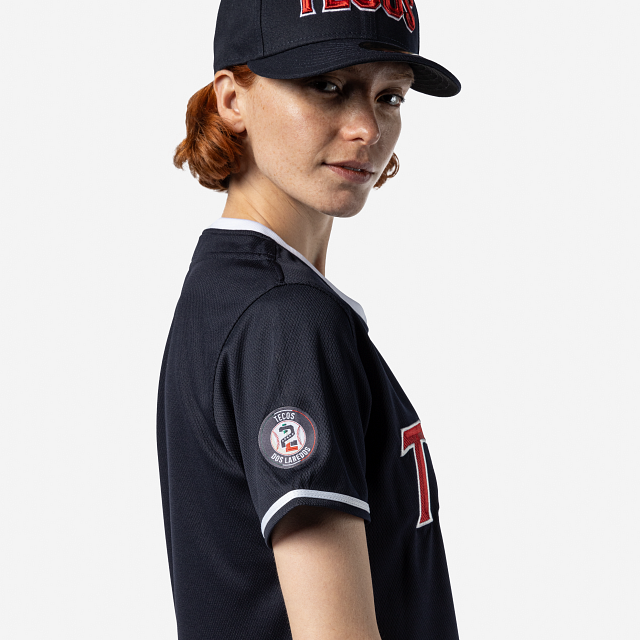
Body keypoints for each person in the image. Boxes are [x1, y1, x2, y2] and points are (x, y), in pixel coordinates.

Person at [157, 1, 461, 638]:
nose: (367, 129)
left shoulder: (227, 288)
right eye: (327, 86)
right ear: (232, 100)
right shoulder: (288, 321)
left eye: (390, 97)